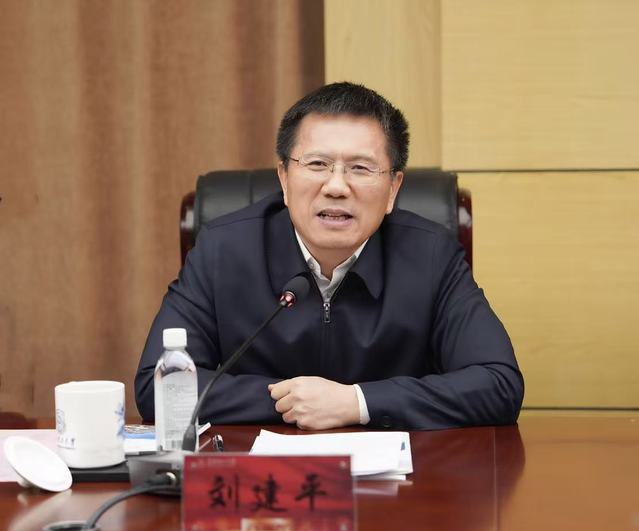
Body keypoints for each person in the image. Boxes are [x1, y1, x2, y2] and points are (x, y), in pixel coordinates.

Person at [135, 82, 524, 430]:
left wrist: (356, 403)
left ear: (393, 189)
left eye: (361, 168)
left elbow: (499, 384)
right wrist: (295, 402)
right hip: (262, 476)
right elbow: (160, 386)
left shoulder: (430, 254)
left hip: (400, 479)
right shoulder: (224, 249)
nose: (336, 186)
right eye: (317, 164)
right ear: (284, 178)